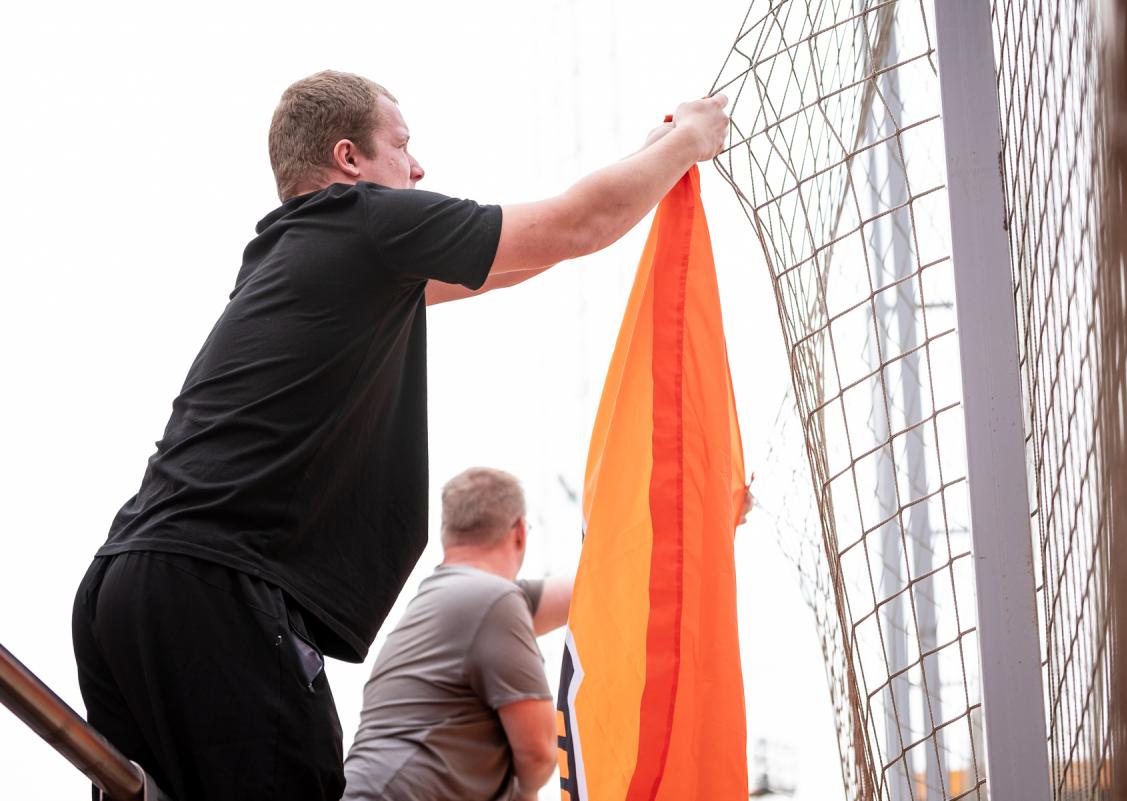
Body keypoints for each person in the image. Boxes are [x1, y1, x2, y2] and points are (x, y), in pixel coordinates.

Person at [71, 69, 728, 801]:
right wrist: (688, 144)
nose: (418, 168)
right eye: (403, 145)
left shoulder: (299, 255)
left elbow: (527, 255)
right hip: (213, 590)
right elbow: (577, 224)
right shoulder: (365, 221)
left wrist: (649, 154)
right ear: (349, 158)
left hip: (119, 590)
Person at [342, 467, 571, 801]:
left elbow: (585, 591)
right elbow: (539, 752)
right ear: (521, 533)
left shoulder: (452, 598)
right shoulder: (494, 602)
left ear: (446, 533)